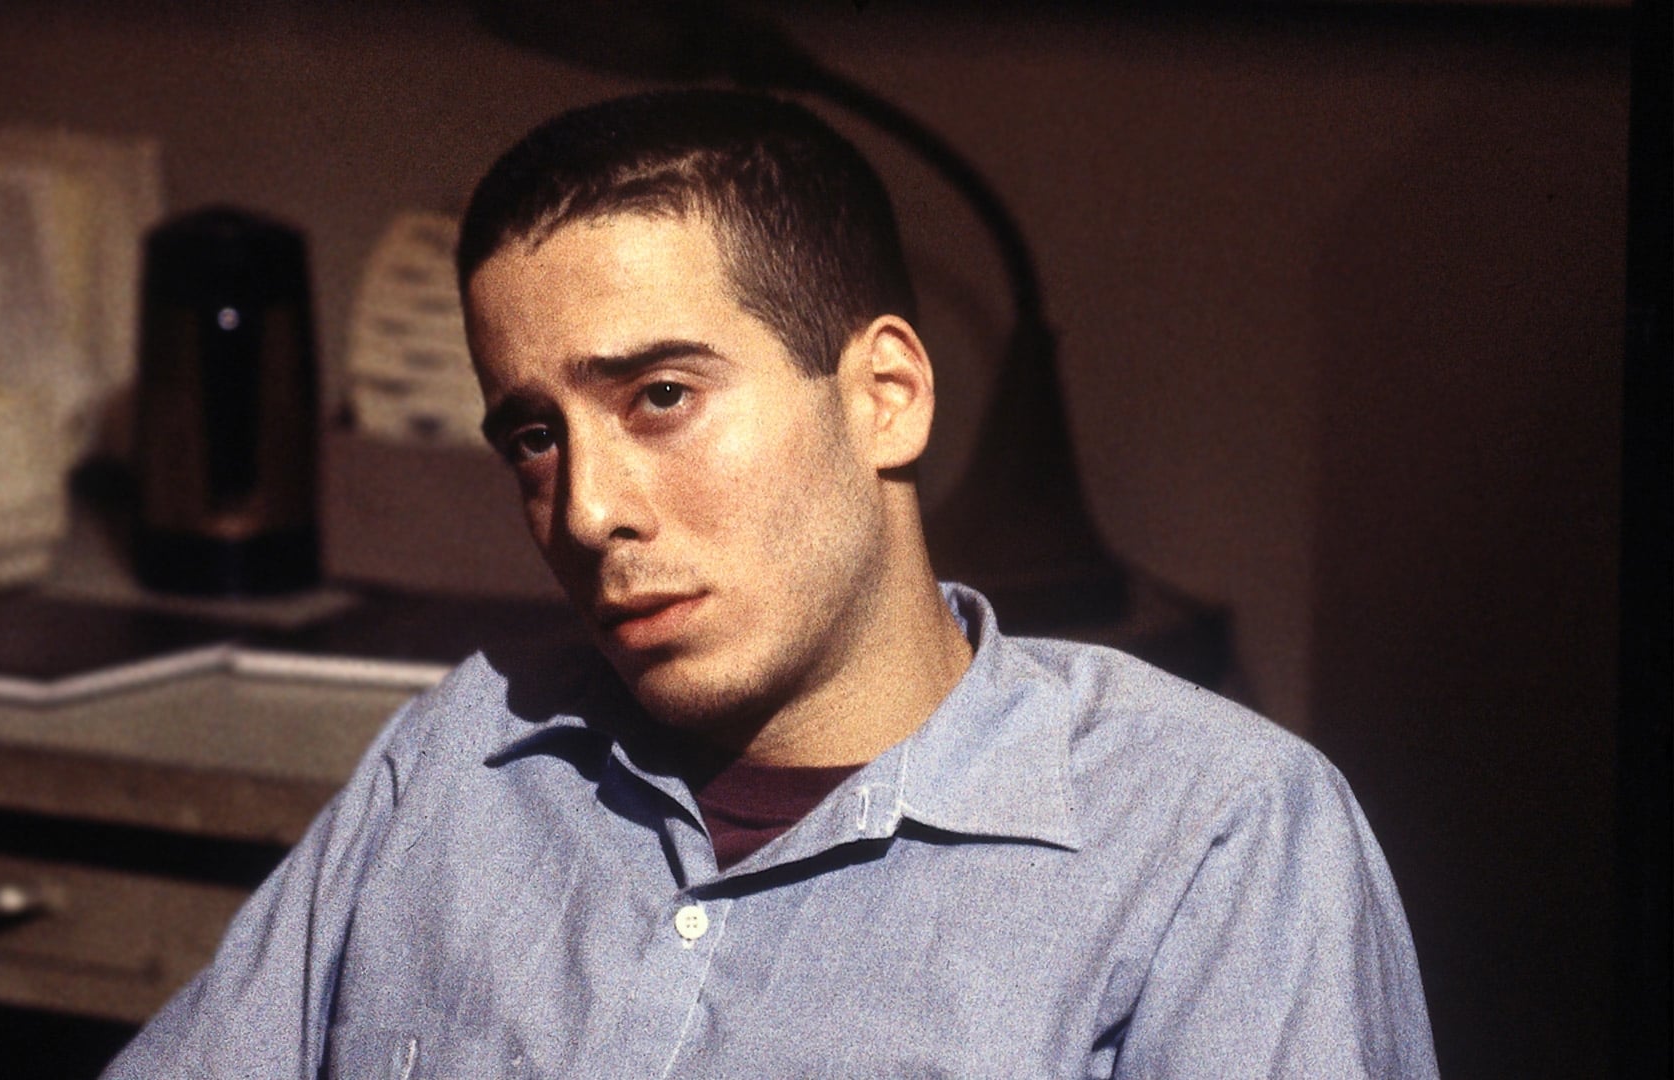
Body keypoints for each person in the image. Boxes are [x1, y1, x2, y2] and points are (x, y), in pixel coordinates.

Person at [104, 89, 1437, 1078]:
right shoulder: (459, 759)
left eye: (661, 396)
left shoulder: (1213, 839)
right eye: (533, 436)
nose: (588, 510)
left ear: (885, 396)